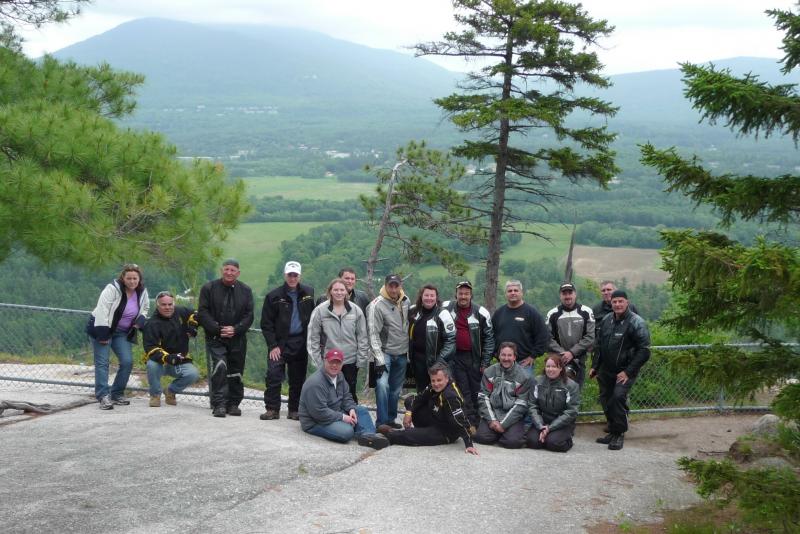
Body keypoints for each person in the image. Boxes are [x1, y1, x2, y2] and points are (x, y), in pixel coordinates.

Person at [590, 289, 651, 451]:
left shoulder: (636, 322)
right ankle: (612, 430)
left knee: (618, 398)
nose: (617, 304)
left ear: (627, 302)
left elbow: (644, 350)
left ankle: (619, 434)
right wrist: (595, 366)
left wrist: (628, 372)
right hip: (606, 370)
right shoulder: (607, 320)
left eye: (620, 301)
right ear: (611, 302)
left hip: (625, 371)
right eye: (614, 301)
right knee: (606, 399)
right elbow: (600, 346)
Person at [378, 362, 478, 455]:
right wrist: (408, 413)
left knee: (411, 435)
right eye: (433, 380)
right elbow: (417, 399)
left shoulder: (451, 396)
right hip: (436, 417)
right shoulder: (433, 386)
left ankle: (391, 435)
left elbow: (460, 420)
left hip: (445, 431)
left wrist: (469, 444)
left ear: (447, 378)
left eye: (439, 380)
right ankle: (422, 431)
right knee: (410, 401)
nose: (436, 384)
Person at [86, 263, 149, 410]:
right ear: (123, 278)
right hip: (102, 328)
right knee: (102, 363)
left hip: (122, 332)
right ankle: (103, 396)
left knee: (127, 362)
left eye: (135, 278)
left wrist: (140, 321)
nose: (132, 281)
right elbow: (102, 310)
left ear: (139, 279)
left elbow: (145, 307)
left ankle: (117, 393)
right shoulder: (112, 289)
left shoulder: (142, 292)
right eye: (129, 278)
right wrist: (103, 334)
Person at [299, 349, 389, 450]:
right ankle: (362, 430)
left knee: (361, 411)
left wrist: (351, 409)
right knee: (347, 432)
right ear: (325, 361)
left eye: (338, 363)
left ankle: (368, 437)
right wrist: (343, 418)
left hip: (335, 412)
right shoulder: (315, 383)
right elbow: (319, 413)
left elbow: (347, 397)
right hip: (315, 422)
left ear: (342, 364)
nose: (334, 366)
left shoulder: (340, 376)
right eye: (331, 362)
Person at [197, 259, 254, 418]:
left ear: (238, 273)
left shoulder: (246, 290)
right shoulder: (209, 288)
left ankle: (234, 404)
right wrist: (217, 329)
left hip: (238, 338)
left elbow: (249, 315)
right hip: (216, 336)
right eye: (227, 269)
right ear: (222, 270)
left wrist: (236, 329)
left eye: (233, 270)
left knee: (236, 370)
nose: (229, 273)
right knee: (220, 367)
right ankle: (219, 404)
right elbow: (202, 312)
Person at [261, 260, 315, 421]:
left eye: (295, 275)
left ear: (299, 276)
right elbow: (266, 323)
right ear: (285, 275)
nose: (292, 278)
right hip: (279, 343)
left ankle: (294, 410)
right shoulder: (273, 296)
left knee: (297, 378)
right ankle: (272, 409)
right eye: (290, 275)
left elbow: (314, 316)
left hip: (300, 341)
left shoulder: (308, 293)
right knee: (273, 376)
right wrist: (273, 345)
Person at [307, 278, 368, 403]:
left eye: (342, 290)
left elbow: (363, 336)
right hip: (329, 361)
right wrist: (318, 362)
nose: (339, 293)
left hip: (350, 361)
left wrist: (361, 360)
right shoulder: (320, 311)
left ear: (346, 292)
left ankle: (351, 420)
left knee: (349, 394)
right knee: (328, 394)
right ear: (329, 292)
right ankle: (328, 420)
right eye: (335, 290)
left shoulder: (356, 310)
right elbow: (312, 337)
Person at [442, 280, 494, 426]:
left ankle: (478, 421)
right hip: (454, 356)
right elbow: (428, 305)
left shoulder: (481, 312)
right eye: (460, 293)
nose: (463, 296)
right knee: (461, 389)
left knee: (476, 390)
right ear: (455, 294)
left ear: (471, 295)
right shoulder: (446, 308)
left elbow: (489, 339)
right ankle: (466, 421)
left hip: (474, 358)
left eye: (466, 293)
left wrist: (485, 362)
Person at [366, 273, 410, 428]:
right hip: (384, 352)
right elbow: (373, 333)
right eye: (390, 285)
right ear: (385, 285)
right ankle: (382, 422)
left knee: (395, 389)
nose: (393, 288)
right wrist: (379, 359)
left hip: (402, 353)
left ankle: (391, 420)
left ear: (400, 286)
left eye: (396, 285)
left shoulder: (405, 301)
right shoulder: (376, 305)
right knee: (383, 386)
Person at [142, 291, 200, 407]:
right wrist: (168, 357)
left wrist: (193, 326)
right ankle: (155, 395)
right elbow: (151, 347)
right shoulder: (151, 324)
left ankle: (170, 391)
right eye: (163, 305)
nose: (167, 307)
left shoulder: (180, 311)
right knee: (151, 365)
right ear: (157, 306)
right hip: (161, 362)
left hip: (179, 359)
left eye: (170, 304)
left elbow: (196, 314)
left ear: (174, 304)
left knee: (193, 374)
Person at [474, 342, 530, 449]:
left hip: (512, 416)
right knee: (481, 438)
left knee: (513, 442)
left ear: (514, 357)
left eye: (509, 355)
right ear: (499, 356)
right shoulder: (489, 372)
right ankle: (498, 432)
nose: (506, 358)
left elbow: (521, 405)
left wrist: (503, 424)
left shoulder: (524, 376)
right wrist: (492, 420)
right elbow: (483, 397)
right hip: (493, 414)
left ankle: (505, 432)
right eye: (503, 355)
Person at [491, 280, 549, 378]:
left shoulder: (531, 313)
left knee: (524, 392)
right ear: (506, 294)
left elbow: (543, 336)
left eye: (516, 290)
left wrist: (533, 356)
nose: (513, 293)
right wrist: (495, 354)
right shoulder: (499, 313)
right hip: (503, 363)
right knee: (502, 392)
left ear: (521, 293)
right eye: (509, 291)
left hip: (524, 364)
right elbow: (491, 336)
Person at [525, 354, 581, 452]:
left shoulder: (571, 386)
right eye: (548, 366)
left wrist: (550, 428)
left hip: (562, 423)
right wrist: (540, 425)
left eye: (554, 366)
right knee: (532, 442)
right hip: (542, 421)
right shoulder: (537, 381)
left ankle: (567, 440)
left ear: (561, 368)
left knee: (553, 444)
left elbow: (571, 411)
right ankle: (546, 436)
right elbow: (532, 405)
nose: (550, 369)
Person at [545, 282, 595, 386]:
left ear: (575, 294)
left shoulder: (586, 311)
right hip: (558, 361)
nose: (567, 296)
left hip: (579, 360)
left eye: (570, 293)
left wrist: (572, 353)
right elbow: (547, 338)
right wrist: (563, 354)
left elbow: (590, 337)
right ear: (560, 296)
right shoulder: (552, 313)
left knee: (575, 392)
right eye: (564, 293)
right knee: (556, 391)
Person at [408, 284, 455, 392]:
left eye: (432, 296)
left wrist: (440, 361)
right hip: (417, 361)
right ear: (421, 296)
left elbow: (451, 340)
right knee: (422, 392)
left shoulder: (443, 314)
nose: (429, 298)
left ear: (436, 297)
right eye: (426, 295)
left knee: (439, 393)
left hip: (437, 363)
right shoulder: (413, 311)